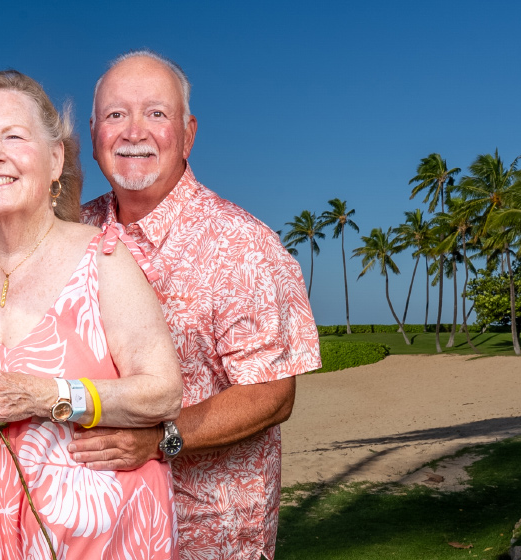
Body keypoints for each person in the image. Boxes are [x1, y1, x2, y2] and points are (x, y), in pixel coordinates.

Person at [0, 70, 183, 560]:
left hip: (93, 538)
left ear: (55, 159)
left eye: (13, 137)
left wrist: (47, 395)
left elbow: (163, 391)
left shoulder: (103, 259)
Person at [72, 50, 322, 560]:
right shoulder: (72, 235)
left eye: (155, 114)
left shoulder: (242, 246)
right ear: (94, 138)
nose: (133, 131)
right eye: (116, 115)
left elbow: (272, 395)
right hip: (95, 525)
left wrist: (158, 439)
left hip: (206, 531)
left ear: (187, 134)